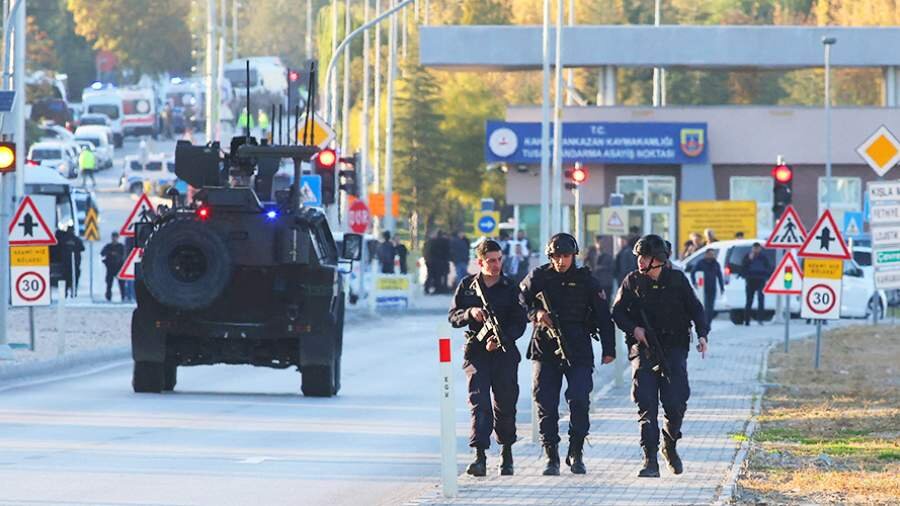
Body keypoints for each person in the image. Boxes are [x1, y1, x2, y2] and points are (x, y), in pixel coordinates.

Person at [612, 234, 709, 478]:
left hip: (674, 349)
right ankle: (650, 460)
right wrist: (635, 329)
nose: (640, 262)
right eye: (639, 257)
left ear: (658, 260)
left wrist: (703, 335)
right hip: (643, 351)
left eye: (645, 257)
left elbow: (696, 309)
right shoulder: (632, 282)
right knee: (646, 404)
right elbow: (618, 312)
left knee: (676, 402)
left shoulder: (677, 280)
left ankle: (670, 443)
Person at [519, 233, 616, 476]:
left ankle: (576, 451)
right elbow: (520, 299)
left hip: (578, 348)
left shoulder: (586, 280)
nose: (561, 261)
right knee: (546, 401)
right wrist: (536, 313)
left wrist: (609, 349)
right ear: (550, 256)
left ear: (574, 256)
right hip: (545, 347)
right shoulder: (539, 276)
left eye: (566, 256)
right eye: (557, 256)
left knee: (580, 399)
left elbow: (604, 315)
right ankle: (551, 455)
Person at [448, 240, 528, 477]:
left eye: (499, 260)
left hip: (503, 353)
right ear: (480, 262)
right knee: (479, 403)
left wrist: (502, 338)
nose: (496, 265)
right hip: (477, 354)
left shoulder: (511, 286)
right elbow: (453, 317)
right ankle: (480, 457)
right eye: (491, 261)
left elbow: (519, 321)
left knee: (505, 404)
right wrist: (469, 313)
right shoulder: (467, 286)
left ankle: (507, 455)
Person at [691, 248, 724, 328]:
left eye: (713, 254)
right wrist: (694, 282)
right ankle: (704, 323)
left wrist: (721, 287)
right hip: (703, 289)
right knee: (704, 306)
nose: (711, 256)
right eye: (710, 254)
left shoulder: (716, 264)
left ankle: (708, 324)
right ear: (706, 254)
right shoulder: (701, 263)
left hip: (712, 287)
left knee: (711, 307)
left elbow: (719, 276)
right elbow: (693, 272)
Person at [741, 243, 771, 325]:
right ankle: (747, 320)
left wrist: (766, 276)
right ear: (752, 248)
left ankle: (760, 319)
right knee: (749, 300)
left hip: (761, 280)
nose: (756, 250)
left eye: (758, 248)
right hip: (750, 280)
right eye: (755, 248)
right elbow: (743, 267)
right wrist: (749, 260)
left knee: (761, 299)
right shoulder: (748, 256)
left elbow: (768, 267)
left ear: (760, 249)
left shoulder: (763, 257)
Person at [584, 234, 615, 304]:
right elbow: (585, 264)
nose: (601, 244)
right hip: (594, 282)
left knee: (605, 302)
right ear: (596, 243)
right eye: (599, 242)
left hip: (605, 283)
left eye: (602, 242)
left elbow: (611, 269)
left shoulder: (608, 255)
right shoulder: (591, 253)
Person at [100, 232, 126, 302]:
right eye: (113, 237)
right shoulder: (108, 246)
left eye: (115, 237)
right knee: (109, 284)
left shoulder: (121, 246)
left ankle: (123, 298)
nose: (114, 239)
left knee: (122, 285)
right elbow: (102, 253)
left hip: (119, 268)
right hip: (110, 268)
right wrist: (109, 253)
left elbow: (125, 255)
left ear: (118, 238)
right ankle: (108, 298)